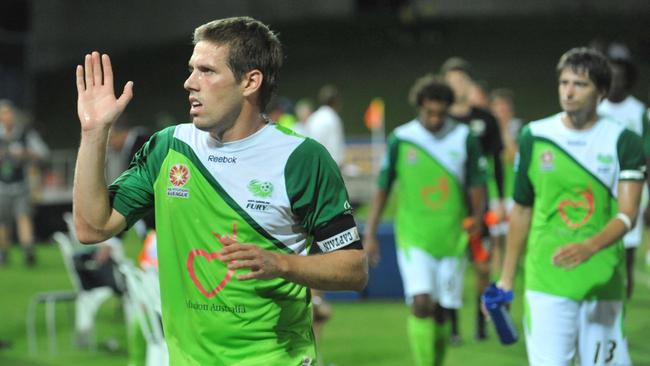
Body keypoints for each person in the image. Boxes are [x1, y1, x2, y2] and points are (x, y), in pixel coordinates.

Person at [73, 16, 367, 365]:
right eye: (191, 69)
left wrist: (282, 264)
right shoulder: (169, 148)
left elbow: (354, 269)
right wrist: (94, 133)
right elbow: (92, 227)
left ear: (250, 82)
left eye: (207, 71)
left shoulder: (301, 159)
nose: (189, 83)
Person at [497, 47, 643, 365]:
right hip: (545, 278)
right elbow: (521, 209)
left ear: (601, 92)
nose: (569, 91)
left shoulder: (625, 141)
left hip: (602, 281)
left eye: (580, 84)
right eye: (564, 82)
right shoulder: (534, 136)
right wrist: (506, 278)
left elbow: (629, 213)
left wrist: (590, 246)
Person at [364, 75, 486, 366]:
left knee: (443, 310)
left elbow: (477, 186)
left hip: (453, 237)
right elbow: (382, 188)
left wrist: (477, 222)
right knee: (421, 303)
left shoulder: (463, 138)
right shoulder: (402, 138)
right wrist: (369, 233)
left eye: (440, 113)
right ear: (419, 106)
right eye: (429, 112)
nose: (434, 119)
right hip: (413, 236)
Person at [441, 57, 504, 342]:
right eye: (451, 81)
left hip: (480, 206)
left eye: (461, 80)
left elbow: (498, 161)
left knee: (482, 265)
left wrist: (501, 198)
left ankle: (481, 323)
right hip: (449, 207)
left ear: (470, 85)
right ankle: (453, 328)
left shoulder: (485, 119)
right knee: (451, 267)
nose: (456, 86)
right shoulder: (439, 121)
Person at [597, 55, 647, 299]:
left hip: (634, 187)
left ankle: (622, 306)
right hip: (603, 186)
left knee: (627, 249)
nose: (615, 82)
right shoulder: (598, 109)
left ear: (628, 81)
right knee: (604, 247)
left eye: (620, 78)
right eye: (611, 77)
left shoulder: (639, 112)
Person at [0, 100, 49, 266]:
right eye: (3, 114)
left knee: (23, 217)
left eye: (9, 113)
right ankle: (3, 253)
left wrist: (26, 153)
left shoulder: (25, 134)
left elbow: (43, 154)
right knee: (2, 221)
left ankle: (28, 251)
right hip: (2, 185)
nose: (7, 117)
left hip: (21, 184)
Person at [488, 88, 523, 275]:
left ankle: (514, 270)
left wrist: (503, 131)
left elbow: (513, 156)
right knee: (495, 239)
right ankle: (495, 275)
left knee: (515, 236)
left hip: (514, 192)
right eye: (496, 109)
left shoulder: (518, 130)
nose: (500, 113)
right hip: (494, 192)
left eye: (504, 109)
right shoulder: (486, 131)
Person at [306, 85, 346, 167]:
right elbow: (335, 146)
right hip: (328, 166)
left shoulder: (313, 118)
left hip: (312, 164)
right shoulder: (333, 118)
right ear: (335, 101)